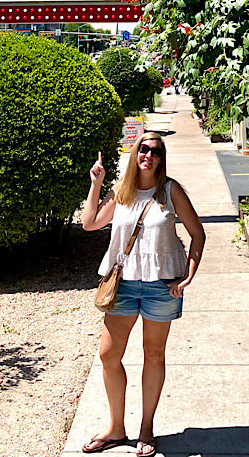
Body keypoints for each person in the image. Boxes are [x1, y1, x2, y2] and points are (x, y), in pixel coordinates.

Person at [81, 132, 206, 456]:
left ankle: (146, 427)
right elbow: (90, 223)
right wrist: (96, 183)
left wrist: (189, 275)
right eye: (143, 149)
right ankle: (116, 427)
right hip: (122, 284)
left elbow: (197, 233)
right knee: (109, 356)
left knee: (153, 355)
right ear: (136, 153)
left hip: (161, 285)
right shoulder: (121, 190)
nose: (148, 154)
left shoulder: (170, 190)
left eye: (155, 150)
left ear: (161, 158)